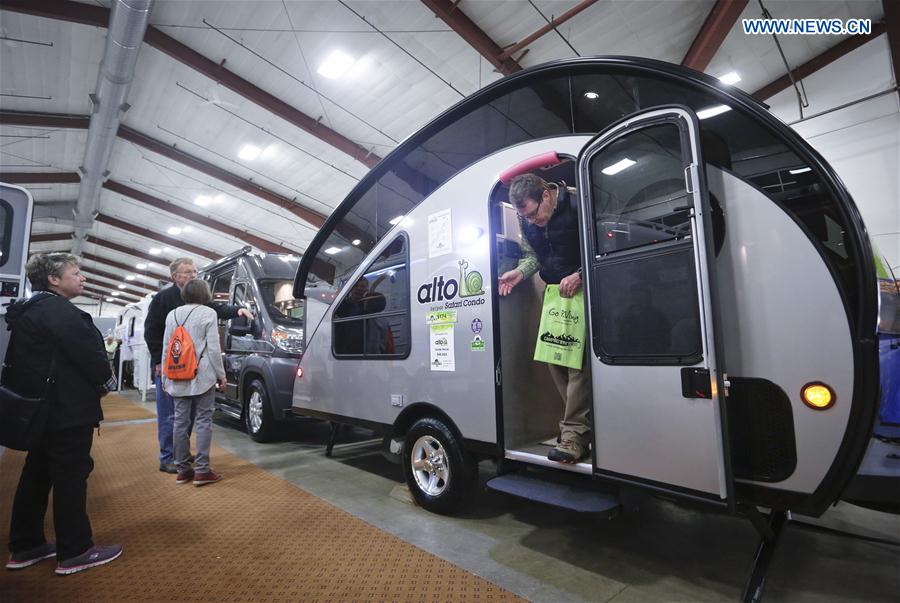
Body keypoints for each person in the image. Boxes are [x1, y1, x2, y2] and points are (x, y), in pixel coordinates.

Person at [3, 253, 123, 575]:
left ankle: (26, 545)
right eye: (76, 272)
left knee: (37, 474)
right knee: (72, 475)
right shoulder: (61, 312)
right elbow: (91, 356)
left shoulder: (31, 310)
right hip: (66, 409)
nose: (82, 277)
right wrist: (107, 382)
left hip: (40, 408)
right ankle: (76, 550)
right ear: (54, 280)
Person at [498, 173, 592, 464]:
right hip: (555, 295)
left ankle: (574, 436)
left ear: (546, 195)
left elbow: (605, 244)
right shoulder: (528, 221)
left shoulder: (580, 201)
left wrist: (580, 275)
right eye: (525, 217)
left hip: (585, 289)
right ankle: (585, 428)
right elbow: (534, 256)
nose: (533, 221)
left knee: (578, 365)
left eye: (535, 214)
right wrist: (520, 272)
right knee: (555, 360)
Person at [144, 257, 250, 473]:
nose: (194, 275)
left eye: (195, 271)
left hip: (191, 369)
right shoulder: (163, 299)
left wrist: (237, 311)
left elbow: (217, 308)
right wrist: (158, 362)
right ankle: (167, 458)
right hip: (171, 367)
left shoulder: (197, 302)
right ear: (175, 276)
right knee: (170, 415)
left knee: (187, 415)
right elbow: (152, 332)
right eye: (188, 272)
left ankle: (181, 455)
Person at [161, 279, 227, 486]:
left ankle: (182, 470)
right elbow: (214, 349)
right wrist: (221, 374)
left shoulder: (172, 315)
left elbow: (167, 347)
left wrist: (165, 376)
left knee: (180, 422)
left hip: (177, 374)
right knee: (203, 421)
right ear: (205, 294)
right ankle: (202, 470)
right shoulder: (208, 313)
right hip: (202, 375)